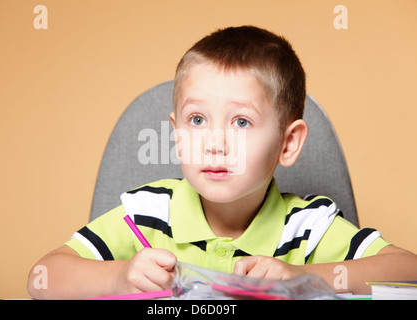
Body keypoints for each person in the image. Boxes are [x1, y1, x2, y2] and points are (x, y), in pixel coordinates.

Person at [27, 26, 417, 299]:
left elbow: (409, 271)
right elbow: (42, 278)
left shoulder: (308, 226)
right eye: (197, 121)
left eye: (242, 122)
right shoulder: (147, 212)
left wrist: (302, 278)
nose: (214, 143)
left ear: (288, 143)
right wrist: (117, 277)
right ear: (177, 134)